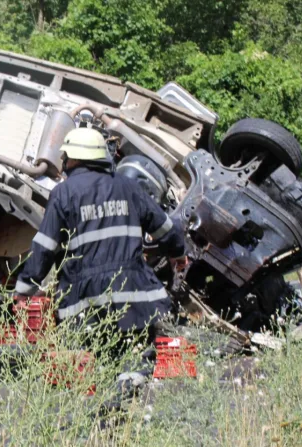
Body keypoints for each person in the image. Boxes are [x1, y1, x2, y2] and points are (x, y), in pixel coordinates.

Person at [14, 127, 187, 369]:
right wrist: (178, 254)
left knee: (94, 366)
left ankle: (117, 389)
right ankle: (135, 379)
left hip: (86, 303)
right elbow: (168, 231)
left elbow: (45, 247)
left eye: (65, 157)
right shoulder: (129, 186)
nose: (62, 162)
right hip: (137, 298)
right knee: (140, 357)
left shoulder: (64, 193)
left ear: (74, 159)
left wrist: (23, 290)